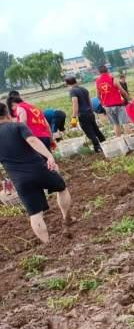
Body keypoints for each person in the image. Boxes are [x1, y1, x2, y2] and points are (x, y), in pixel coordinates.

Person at [0, 102, 73, 243]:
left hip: (19, 179)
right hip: (38, 169)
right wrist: (49, 156)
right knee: (61, 188)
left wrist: (3, 180)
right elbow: (32, 140)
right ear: (7, 114)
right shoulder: (17, 126)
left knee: (35, 213)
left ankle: (47, 243)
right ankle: (66, 218)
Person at [66, 76, 104, 152]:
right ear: (75, 81)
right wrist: (92, 111)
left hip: (83, 115)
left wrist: (73, 117)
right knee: (96, 129)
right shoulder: (84, 89)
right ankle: (104, 142)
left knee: (89, 132)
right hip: (90, 112)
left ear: (67, 84)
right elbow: (90, 102)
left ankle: (97, 147)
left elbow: (75, 104)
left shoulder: (72, 91)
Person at [95, 64, 131, 136]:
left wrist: (103, 104)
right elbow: (122, 91)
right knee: (124, 122)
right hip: (118, 104)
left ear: (99, 72)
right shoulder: (112, 79)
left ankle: (119, 140)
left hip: (107, 106)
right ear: (107, 70)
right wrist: (128, 99)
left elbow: (98, 96)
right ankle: (129, 139)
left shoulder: (97, 81)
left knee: (116, 124)